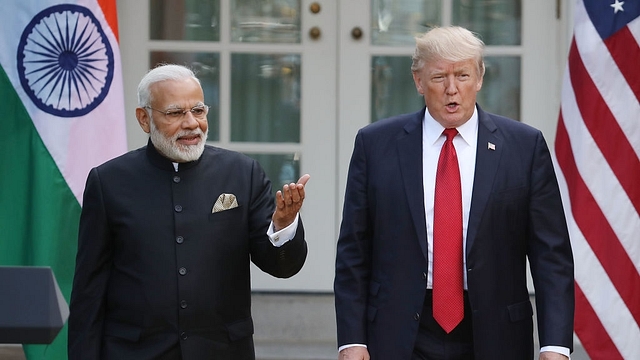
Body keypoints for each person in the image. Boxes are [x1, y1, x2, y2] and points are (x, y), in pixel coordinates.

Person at [334, 26, 574, 360]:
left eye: (462, 75)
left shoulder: (524, 146)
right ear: (418, 82)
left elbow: (552, 257)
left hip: (495, 333)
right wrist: (351, 339)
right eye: (438, 78)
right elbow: (353, 252)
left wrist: (555, 345)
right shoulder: (375, 145)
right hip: (399, 332)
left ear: (479, 78)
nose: (452, 90)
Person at [68, 64, 310, 360]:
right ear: (144, 119)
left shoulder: (242, 173)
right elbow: (88, 292)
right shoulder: (108, 182)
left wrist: (283, 225)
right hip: (134, 352)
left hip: (222, 351)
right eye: (174, 113)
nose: (191, 123)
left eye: (198, 111)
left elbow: (282, 267)